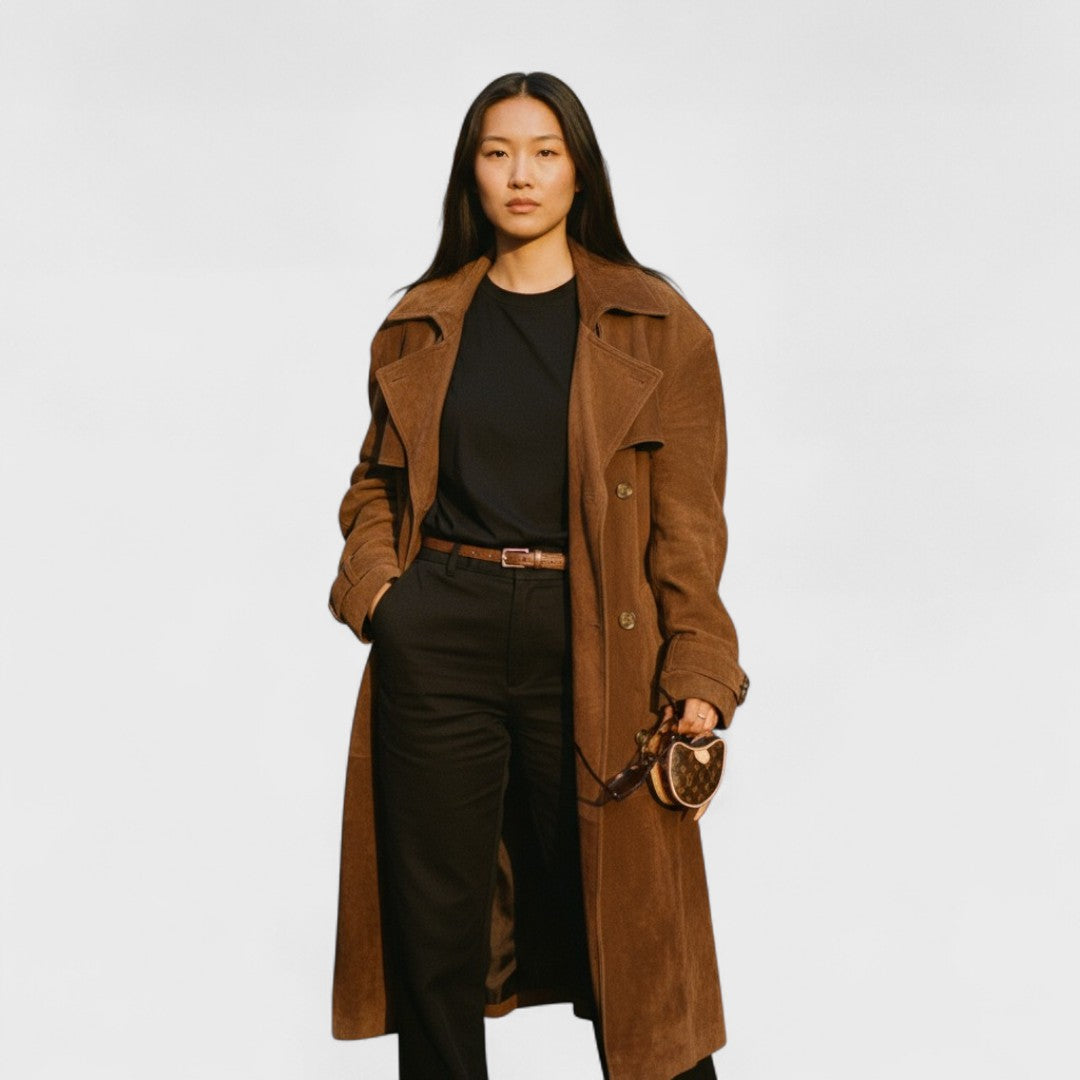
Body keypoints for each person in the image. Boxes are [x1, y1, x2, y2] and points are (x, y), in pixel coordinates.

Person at [327, 71, 750, 1080]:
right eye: (498, 151)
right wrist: (384, 597)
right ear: (470, 172)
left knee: (631, 933)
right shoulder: (421, 322)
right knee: (436, 938)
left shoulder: (657, 324)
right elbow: (377, 485)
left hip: (594, 633)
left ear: (579, 171)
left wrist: (699, 668)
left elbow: (691, 524)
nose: (521, 173)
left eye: (545, 152)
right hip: (443, 631)